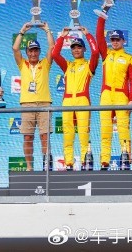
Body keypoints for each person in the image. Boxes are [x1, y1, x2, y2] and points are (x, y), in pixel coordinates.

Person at [52, 27, 99, 170]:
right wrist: (62, 36)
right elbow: (55, 54)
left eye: (79, 47)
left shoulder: (89, 64)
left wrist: (87, 34)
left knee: (83, 133)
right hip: (67, 101)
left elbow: (96, 52)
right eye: (73, 47)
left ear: (84, 49)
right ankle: (68, 164)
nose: (76, 50)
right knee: (68, 134)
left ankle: (86, 163)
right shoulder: (68, 65)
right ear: (71, 50)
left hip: (82, 100)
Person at [96, 17, 132, 170]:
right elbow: (99, 36)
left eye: (117, 40)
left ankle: (126, 159)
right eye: (112, 39)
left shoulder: (129, 58)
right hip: (106, 95)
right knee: (105, 130)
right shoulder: (106, 54)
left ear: (123, 41)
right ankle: (104, 162)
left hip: (121, 96)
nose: (114, 42)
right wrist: (102, 16)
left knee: (123, 129)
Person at [13, 21, 55, 171]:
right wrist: (22, 30)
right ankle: (29, 167)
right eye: (30, 51)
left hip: (44, 104)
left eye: (36, 50)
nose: (33, 53)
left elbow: (52, 47)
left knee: (45, 137)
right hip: (27, 104)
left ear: (39, 52)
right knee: (27, 137)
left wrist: (47, 30)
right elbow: (15, 48)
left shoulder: (45, 63)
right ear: (27, 52)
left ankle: (46, 167)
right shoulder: (22, 64)